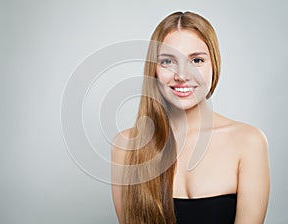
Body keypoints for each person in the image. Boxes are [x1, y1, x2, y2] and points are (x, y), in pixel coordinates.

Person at [111, 11, 270, 224]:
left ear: (214, 64)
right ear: (154, 69)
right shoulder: (126, 147)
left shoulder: (248, 142)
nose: (182, 75)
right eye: (168, 61)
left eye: (196, 60)